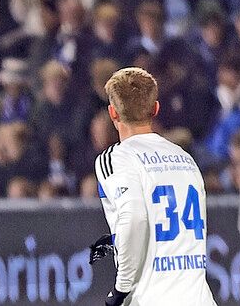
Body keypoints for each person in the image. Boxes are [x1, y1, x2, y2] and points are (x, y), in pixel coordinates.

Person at [91, 67, 216, 305]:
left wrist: (121, 289)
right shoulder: (185, 159)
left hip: (152, 297)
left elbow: (134, 218)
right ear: (155, 109)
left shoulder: (115, 158)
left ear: (112, 113)